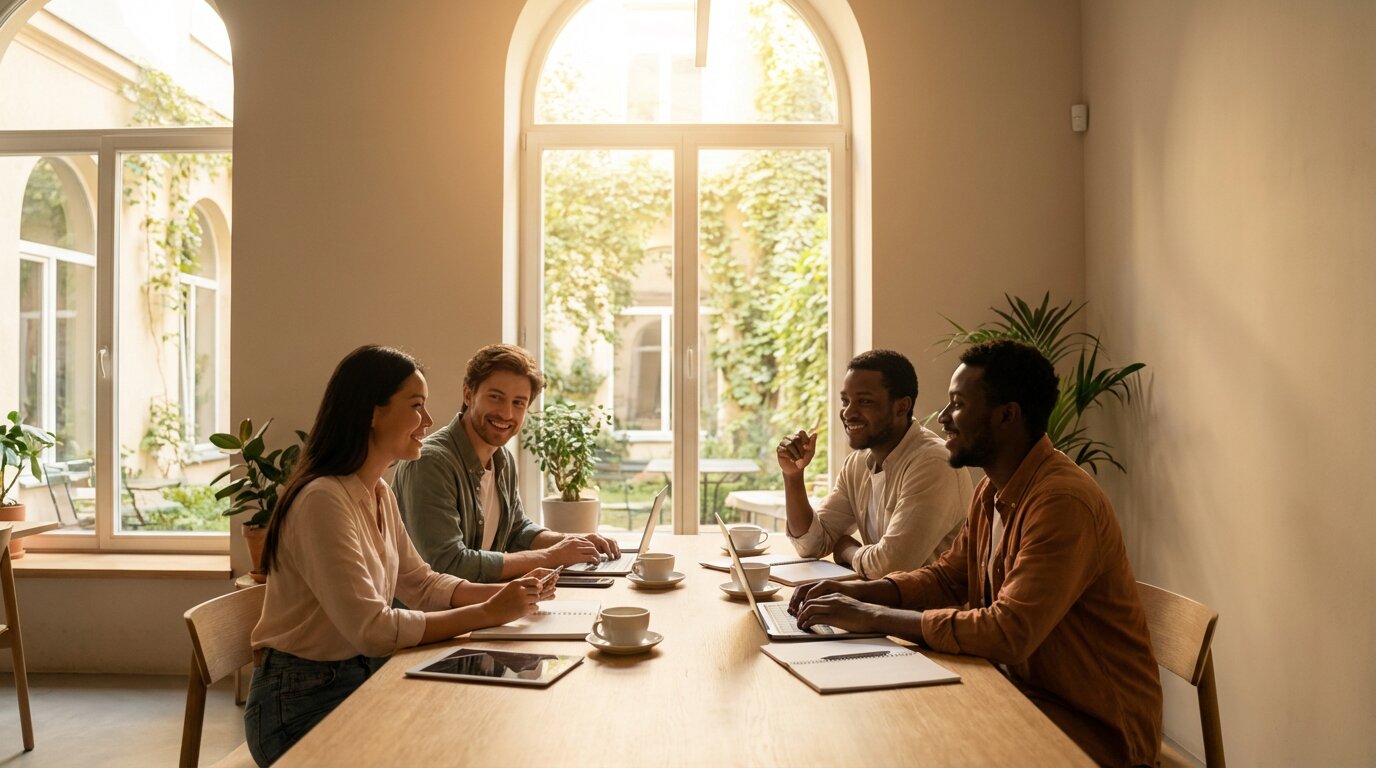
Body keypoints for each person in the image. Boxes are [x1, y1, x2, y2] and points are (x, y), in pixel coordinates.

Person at [790, 340, 1162, 767]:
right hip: (1020, 690)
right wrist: (855, 593)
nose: (944, 418)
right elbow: (948, 578)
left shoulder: (1062, 501)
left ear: (1007, 415)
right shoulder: (993, 489)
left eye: (958, 404)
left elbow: (1008, 632)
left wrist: (871, 616)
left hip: (1095, 728)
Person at [245, 345, 555, 766]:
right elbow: (373, 629)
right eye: (416, 406)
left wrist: (502, 599)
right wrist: (486, 613)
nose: (428, 421)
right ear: (372, 412)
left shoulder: (378, 491)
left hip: (363, 675)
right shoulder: (322, 500)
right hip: (299, 703)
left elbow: (422, 582)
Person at [394, 344, 620, 582]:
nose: (506, 414)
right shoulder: (431, 463)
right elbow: (449, 564)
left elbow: (516, 530)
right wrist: (551, 556)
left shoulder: (502, 459)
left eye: (518, 403)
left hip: (479, 607)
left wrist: (574, 541)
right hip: (432, 616)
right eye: (495, 397)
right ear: (468, 394)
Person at [775, 349, 972, 578]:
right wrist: (792, 476)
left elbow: (890, 566)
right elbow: (811, 545)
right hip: (880, 606)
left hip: (928, 612)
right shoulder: (858, 464)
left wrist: (847, 550)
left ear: (902, 407)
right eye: (846, 401)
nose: (848, 413)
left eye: (864, 401)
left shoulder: (934, 463)